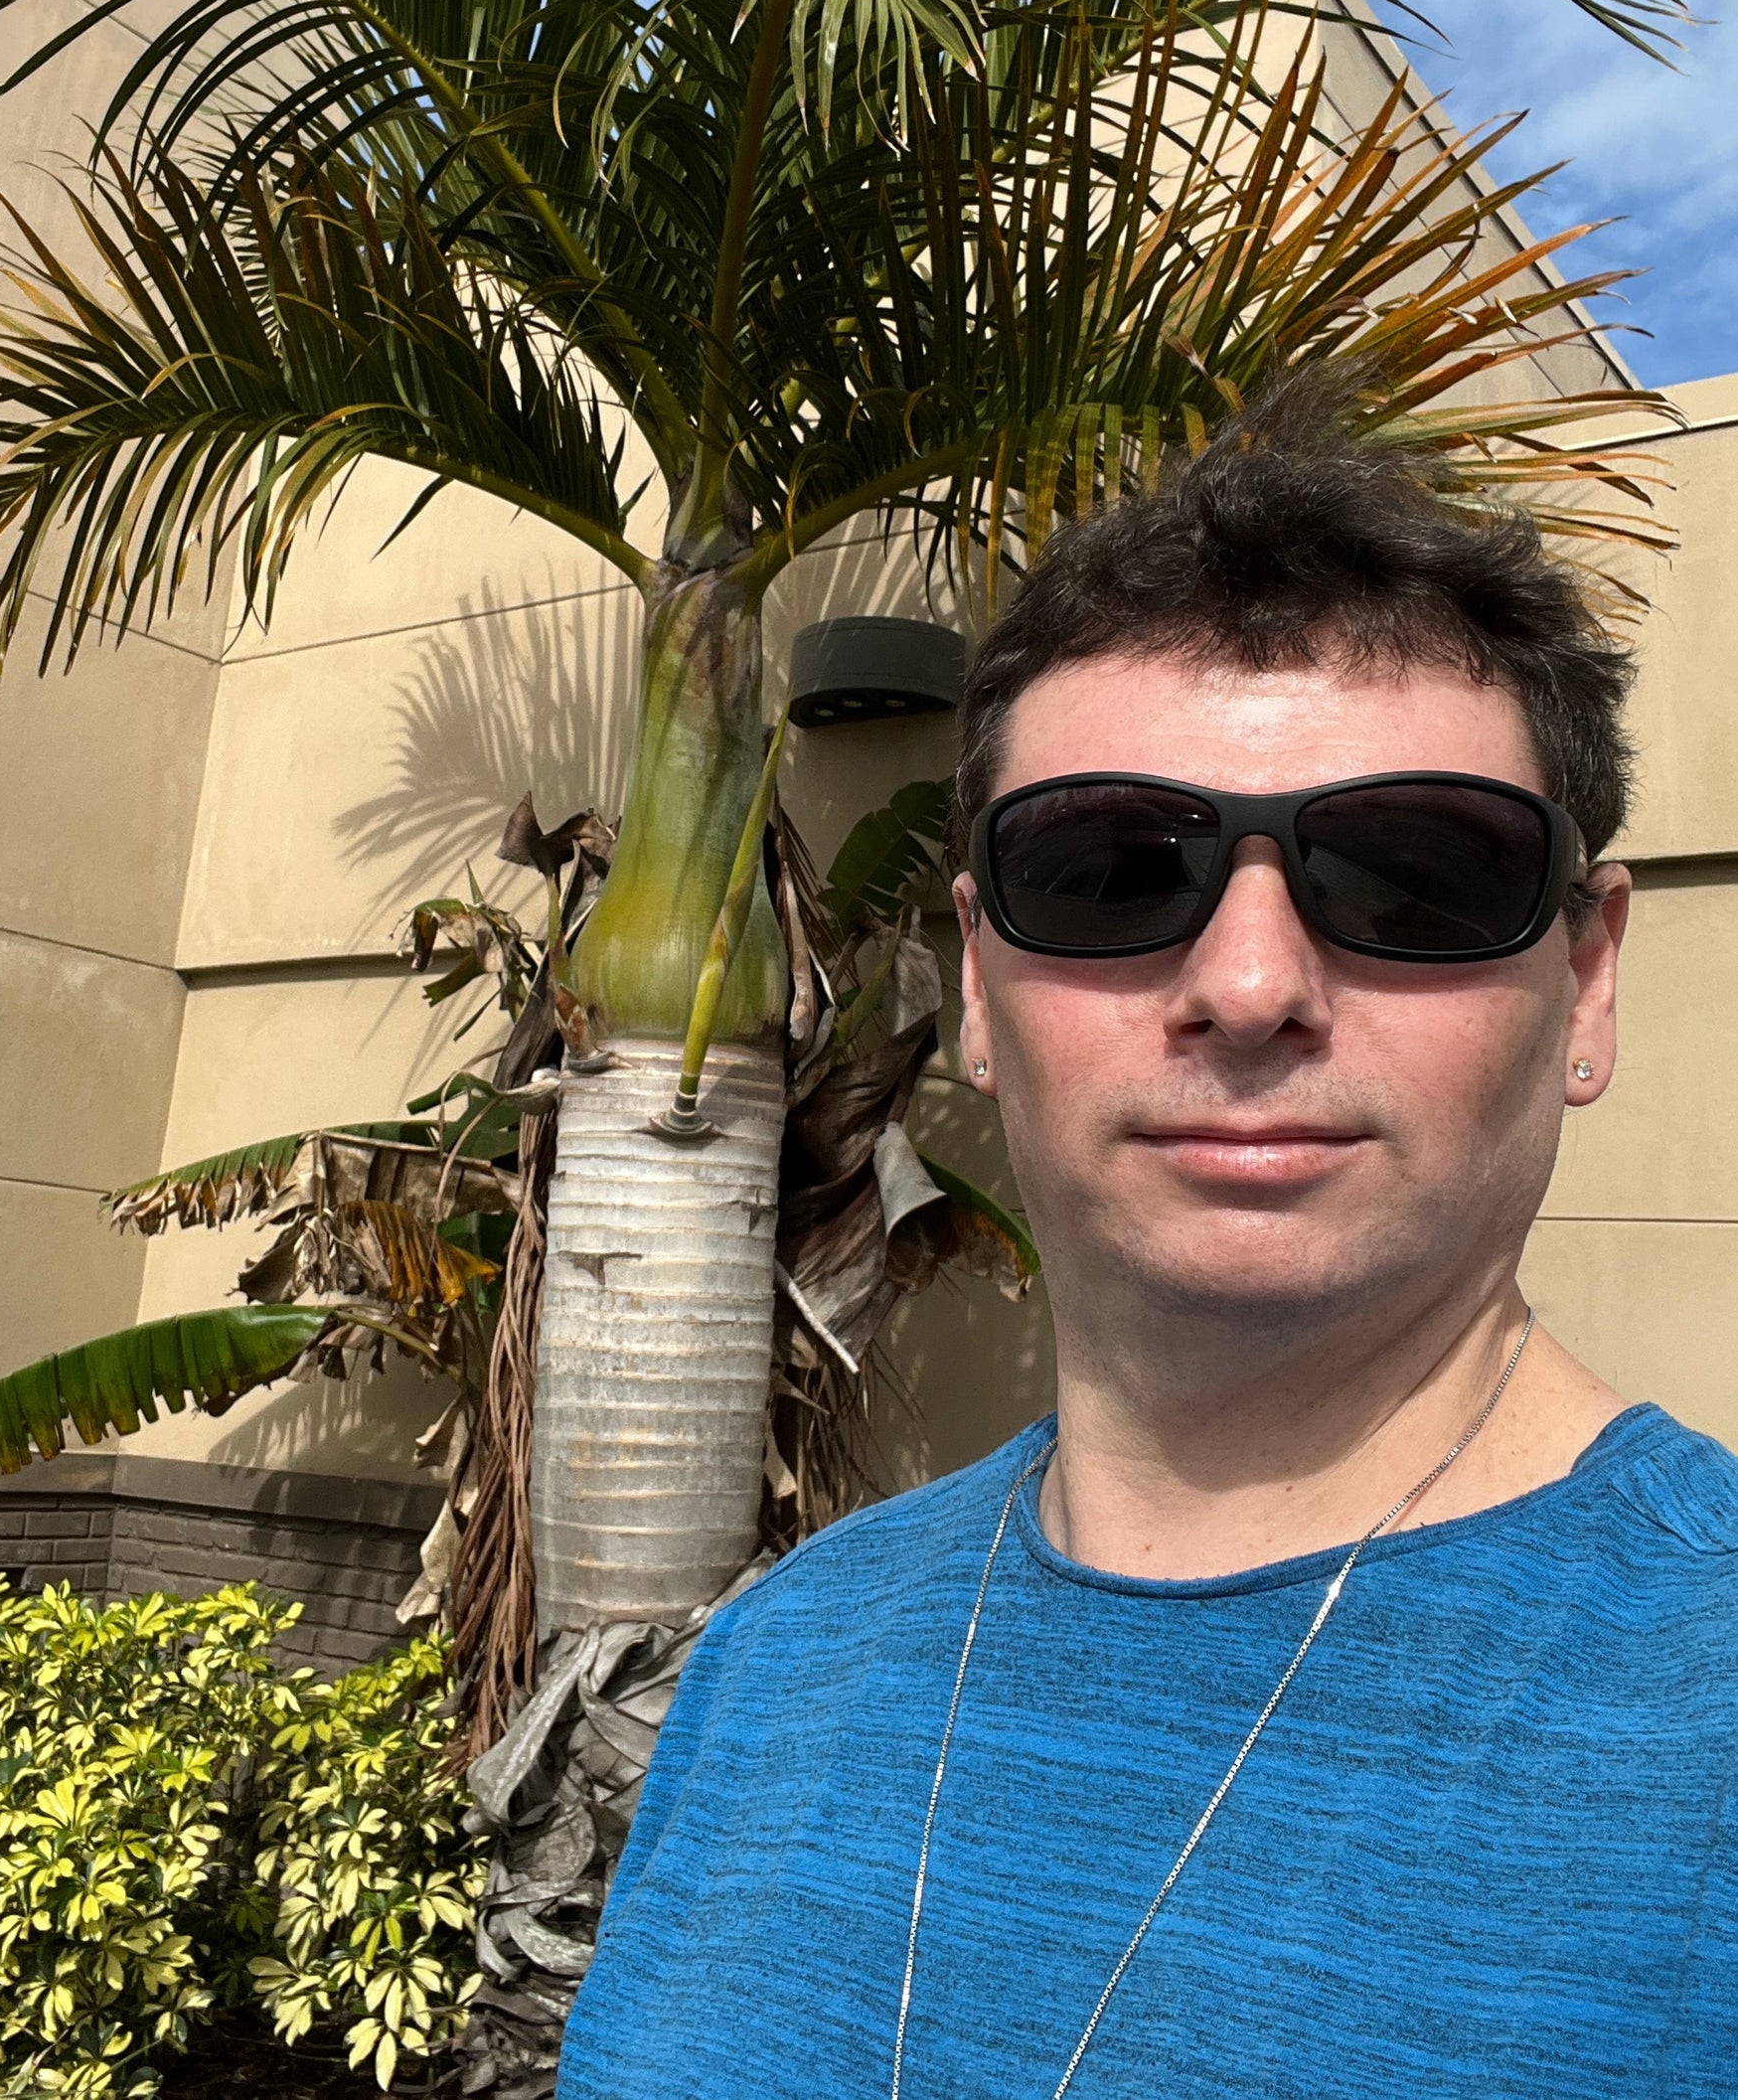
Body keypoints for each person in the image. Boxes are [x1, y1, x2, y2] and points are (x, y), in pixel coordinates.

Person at [556, 373, 1738, 2097]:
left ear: (1587, 978)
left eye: (1413, 875)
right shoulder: (780, 1655)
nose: (1247, 986)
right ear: (979, 984)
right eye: (1110, 870)